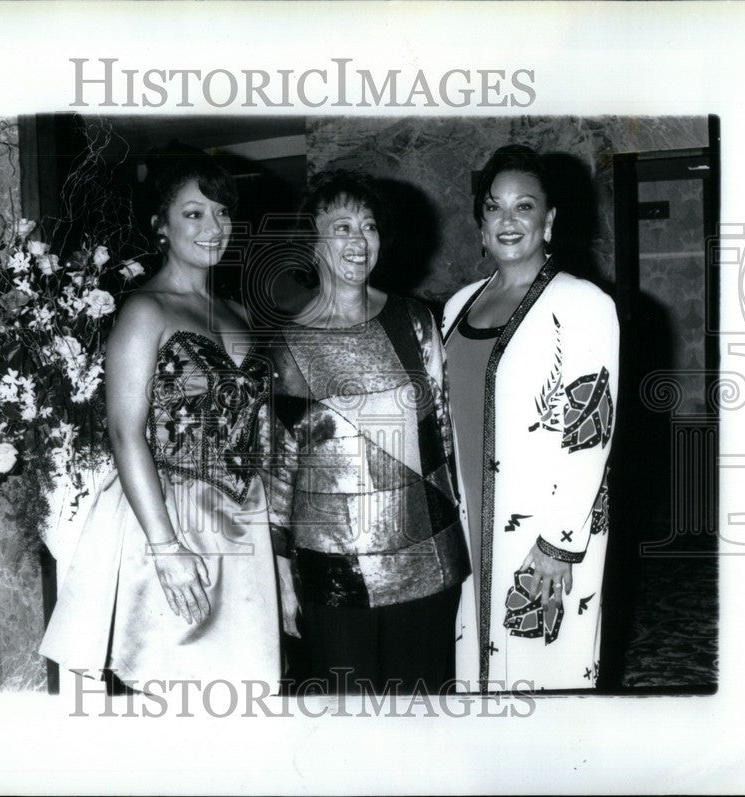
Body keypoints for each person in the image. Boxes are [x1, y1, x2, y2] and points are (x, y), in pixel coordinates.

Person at [39, 154, 282, 691]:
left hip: (245, 524)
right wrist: (166, 547)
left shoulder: (240, 313)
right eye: (194, 213)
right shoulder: (145, 310)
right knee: (173, 689)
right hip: (172, 521)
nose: (213, 227)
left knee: (243, 699)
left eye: (221, 213)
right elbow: (126, 433)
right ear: (162, 226)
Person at [261, 171, 470, 695]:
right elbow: (278, 477)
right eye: (342, 227)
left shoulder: (415, 321)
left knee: (423, 722)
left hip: (427, 559)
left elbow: (444, 438)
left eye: (369, 226)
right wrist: (280, 576)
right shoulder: (284, 349)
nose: (359, 241)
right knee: (349, 734)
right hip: (330, 577)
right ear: (312, 243)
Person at [441, 144, 619, 691]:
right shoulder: (457, 306)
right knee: (478, 666)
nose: (508, 220)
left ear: (550, 219)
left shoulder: (582, 303)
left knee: (545, 671)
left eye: (524, 206)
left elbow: (592, 429)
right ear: (480, 223)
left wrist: (559, 542)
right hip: (471, 519)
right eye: (494, 208)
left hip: (546, 526)